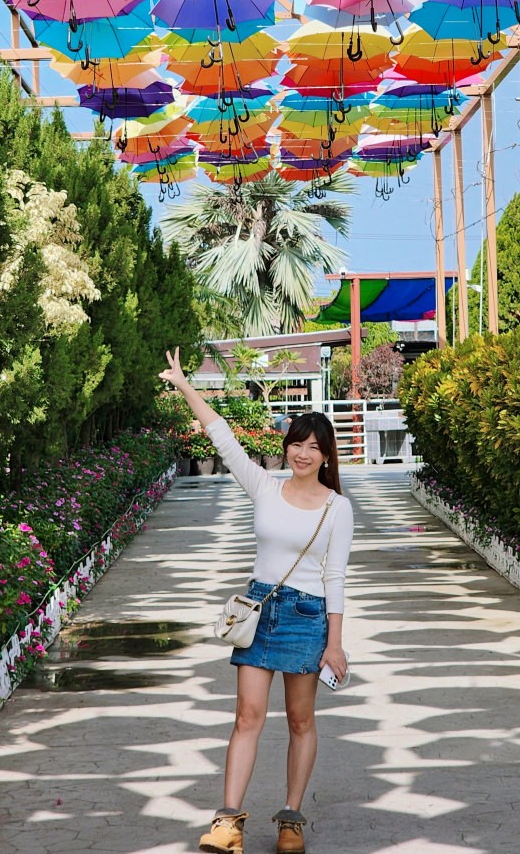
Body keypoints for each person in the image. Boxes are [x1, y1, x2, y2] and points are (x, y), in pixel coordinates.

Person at [159, 348, 355, 854]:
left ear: (327, 455)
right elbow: (222, 438)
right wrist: (185, 385)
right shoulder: (265, 488)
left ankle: (291, 820)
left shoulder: (338, 508)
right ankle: (228, 824)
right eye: (296, 444)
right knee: (247, 716)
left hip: (308, 616)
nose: (303, 453)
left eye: (314, 446)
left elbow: (335, 576)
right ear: (286, 447)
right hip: (259, 611)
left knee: (300, 720)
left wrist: (336, 643)